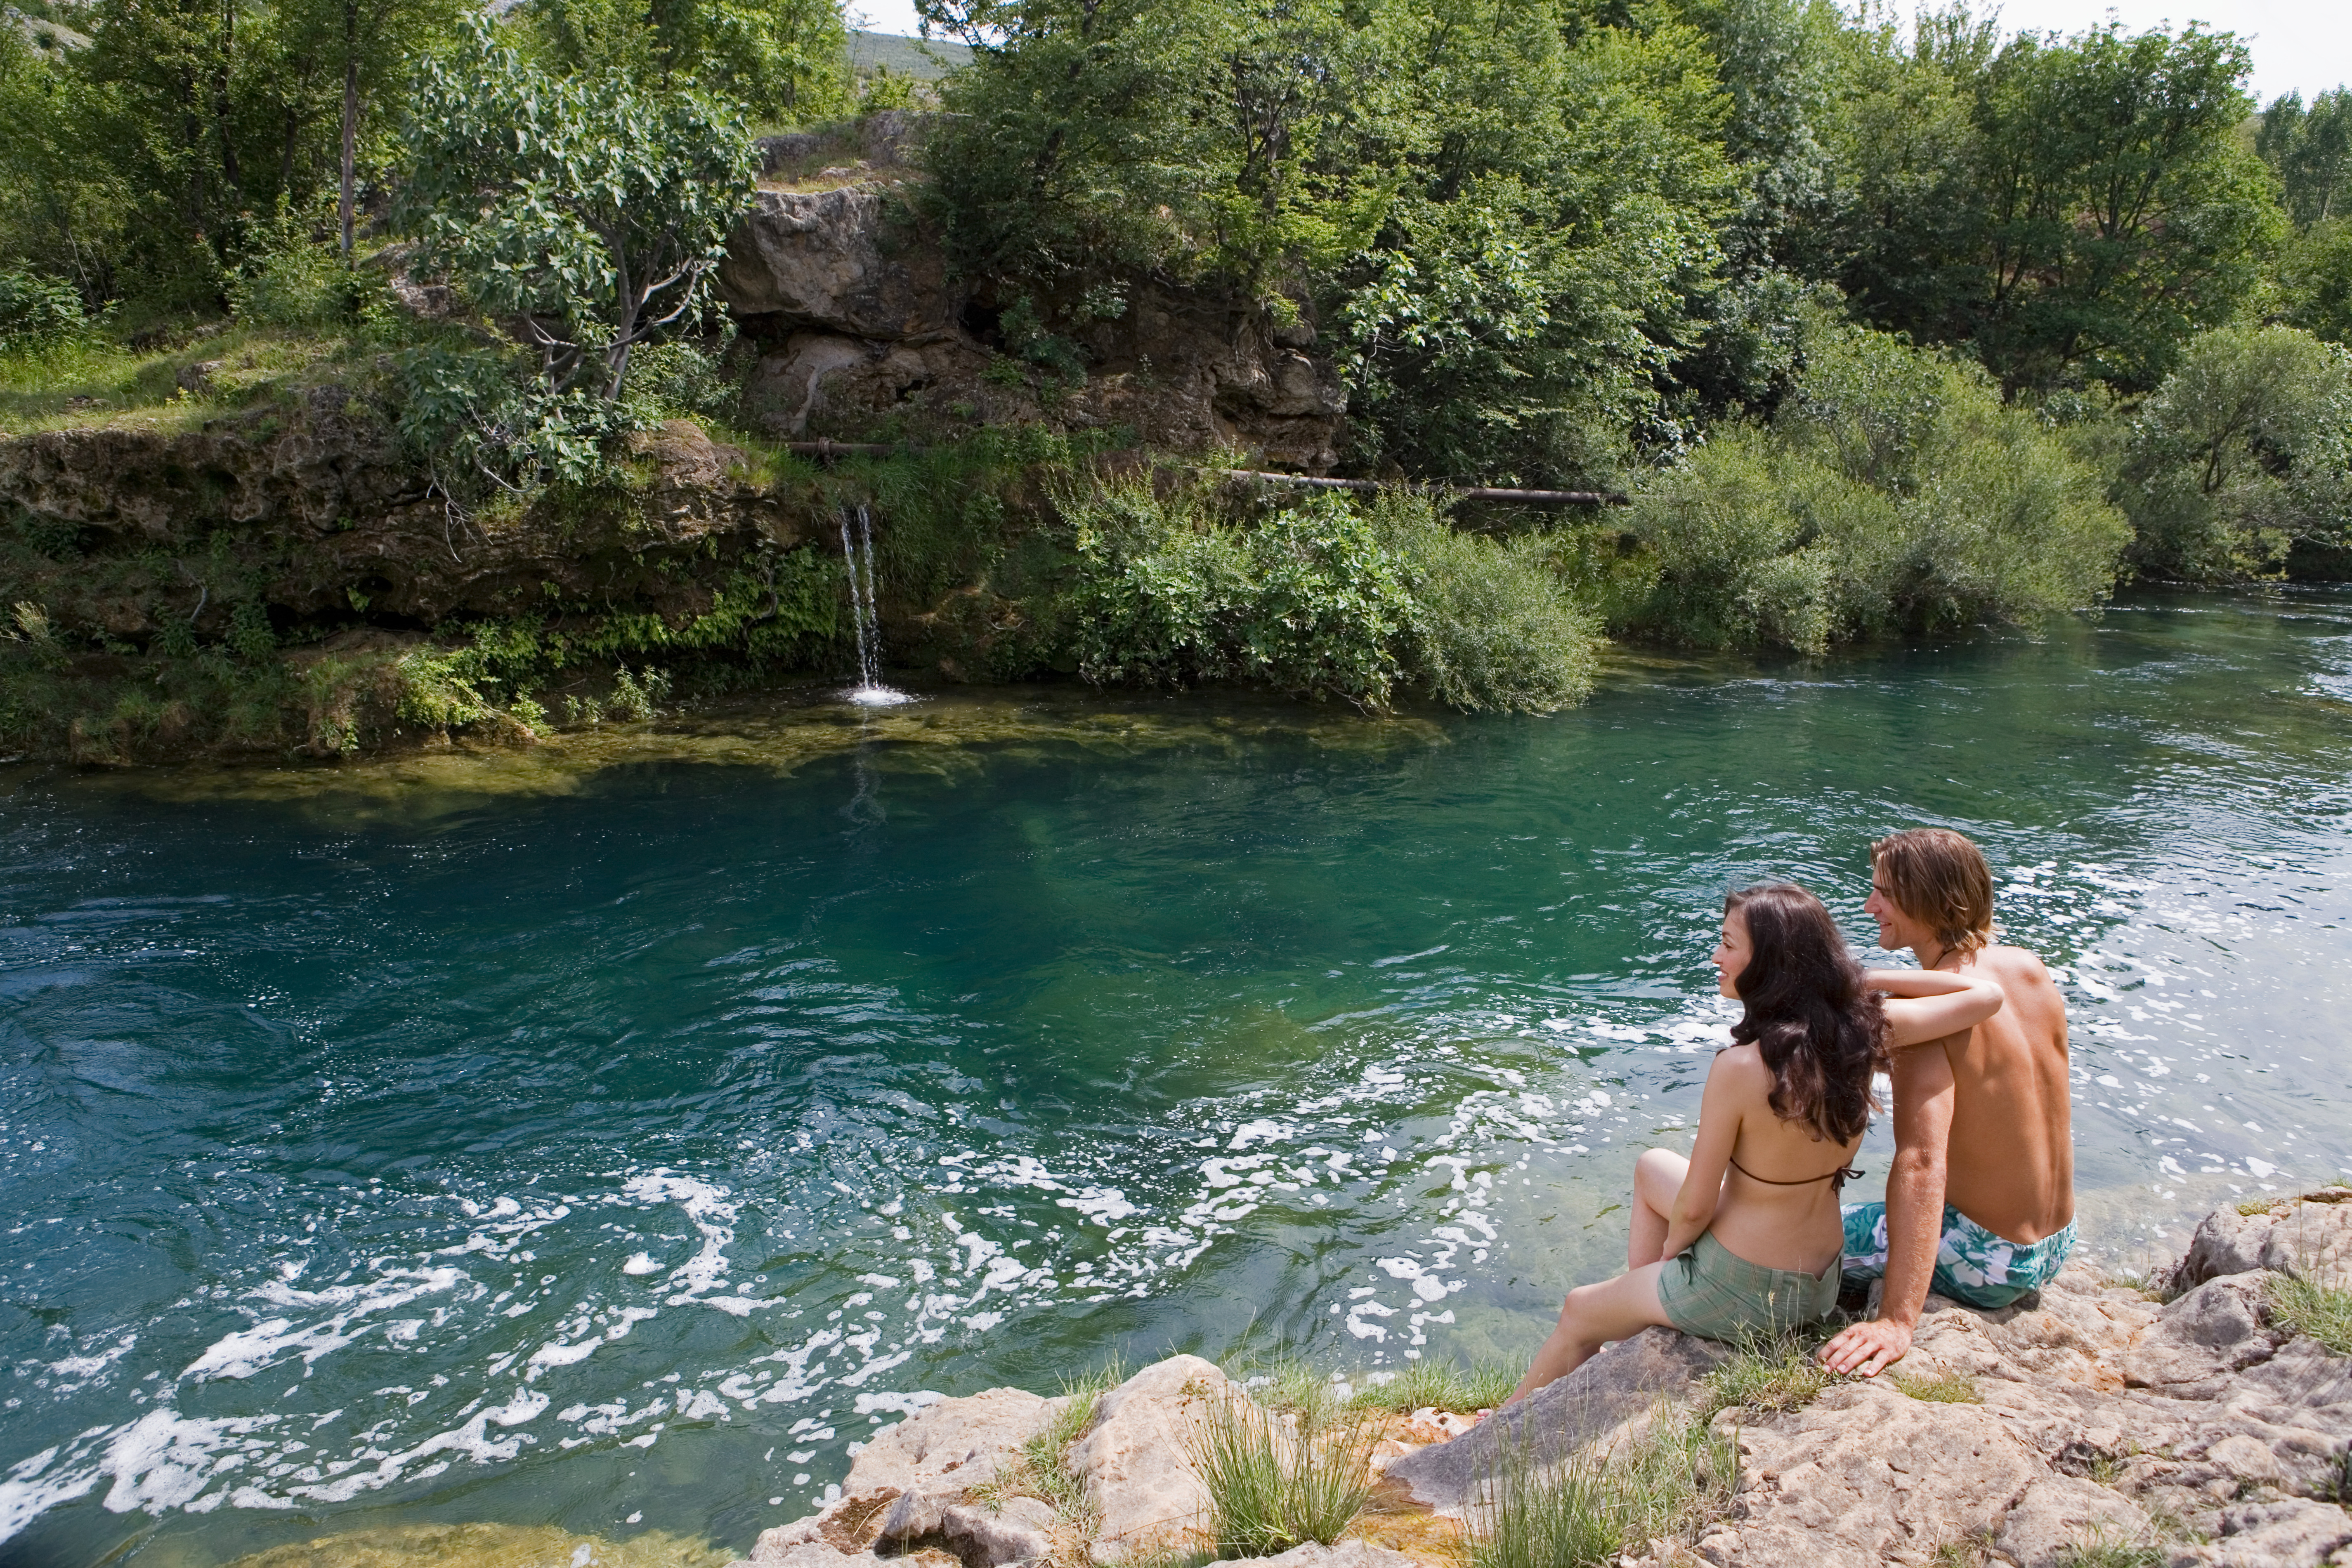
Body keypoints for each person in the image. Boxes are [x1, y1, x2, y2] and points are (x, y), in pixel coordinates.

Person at [1504, 883, 2006, 1404]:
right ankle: (1644, 1321)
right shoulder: (1866, 1031)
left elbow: (1696, 1206)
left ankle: (1498, 1436)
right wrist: (1847, 981)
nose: (1716, 957)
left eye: (1728, 944)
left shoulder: (1741, 1068)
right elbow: (1985, 996)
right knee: (1652, 1166)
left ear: (1769, 962)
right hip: (1817, 1286)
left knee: (1578, 1310)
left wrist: (1671, 1263)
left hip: (1742, 1290)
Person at [1819, 828, 2076, 1379]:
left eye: (1884, 893)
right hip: (2056, 1243)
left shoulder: (1929, 1013)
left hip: (1991, 1261)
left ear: (1932, 901)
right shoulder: (2026, 968)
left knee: (1792, 1231)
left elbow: (1921, 1161)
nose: (1870, 906)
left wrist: (1897, 1320)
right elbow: (2005, 1091)